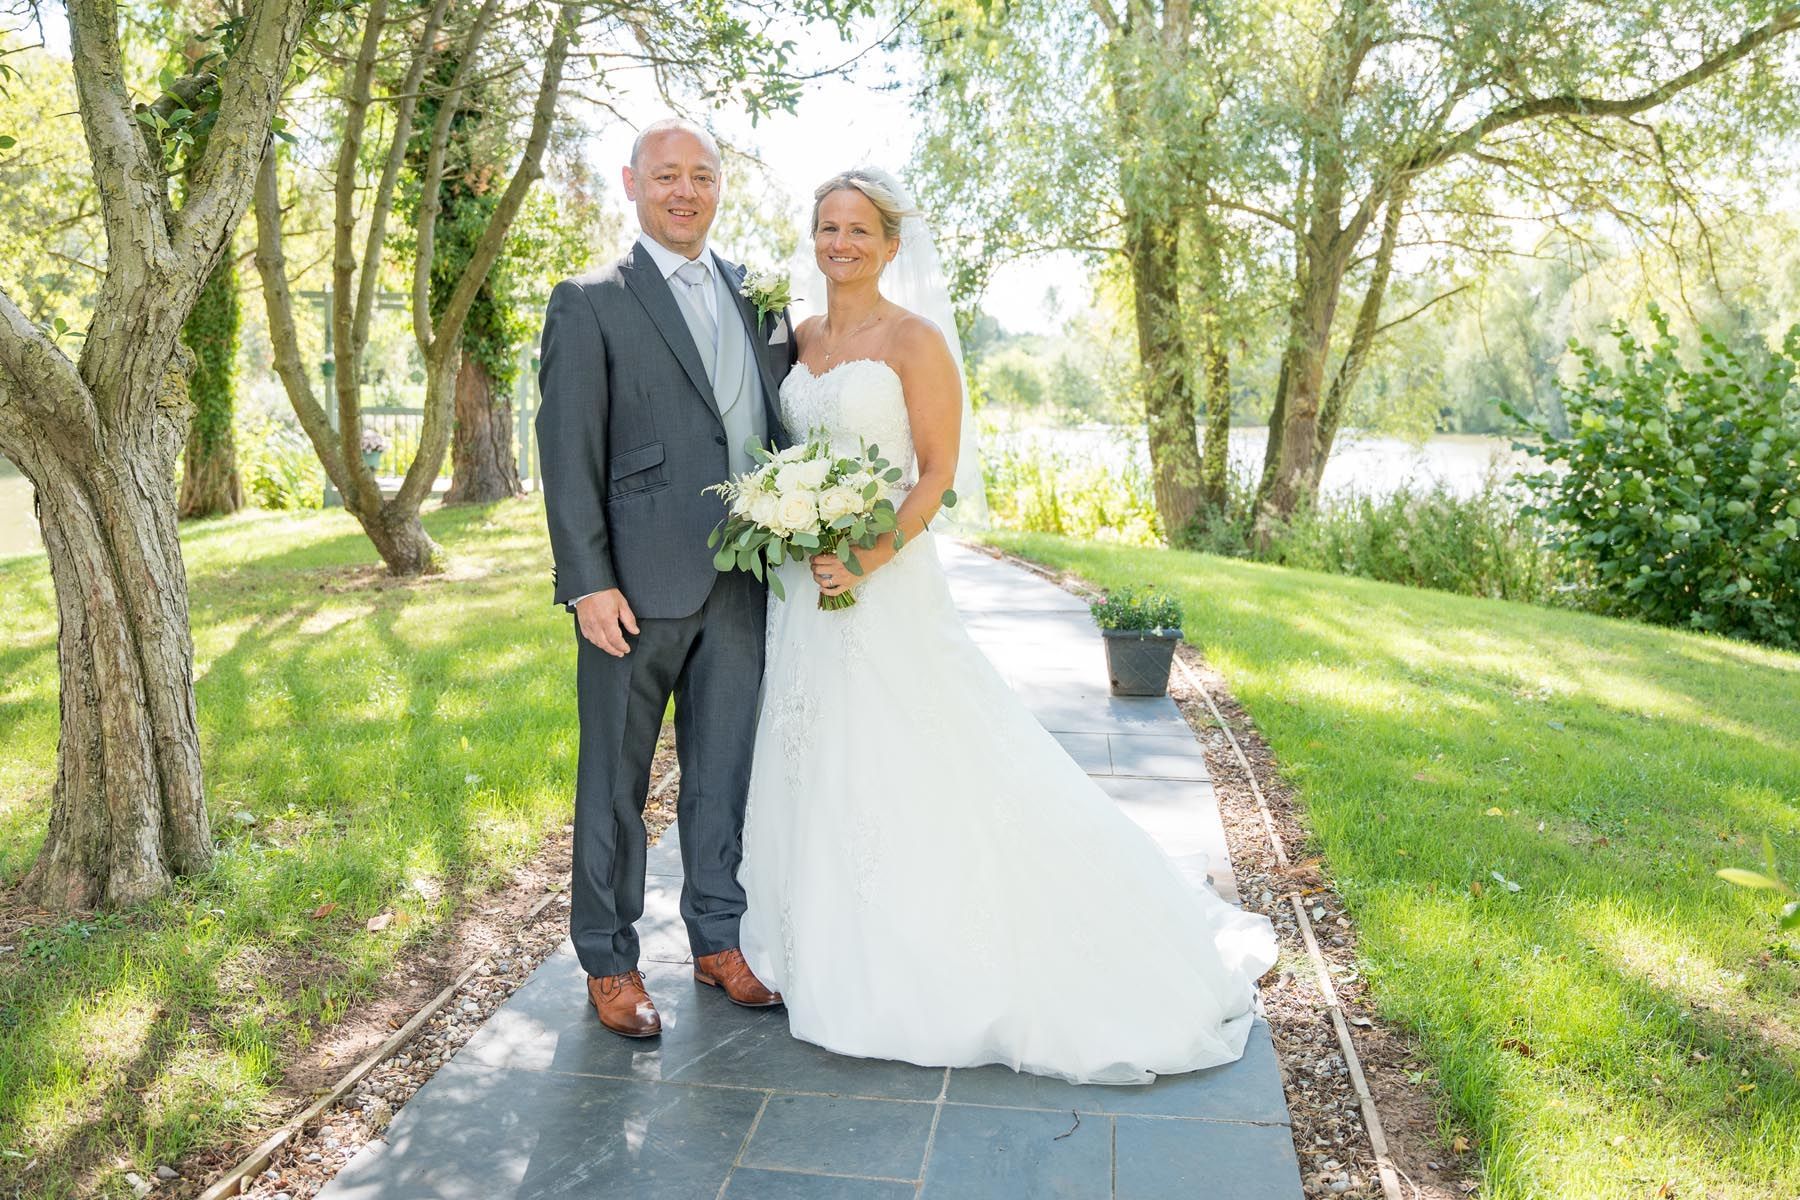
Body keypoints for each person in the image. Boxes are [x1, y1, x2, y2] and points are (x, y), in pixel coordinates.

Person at [736, 168, 1279, 1085]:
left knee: (920, 752)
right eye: (827, 226)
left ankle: (938, 953)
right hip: (802, 593)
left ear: (891, 243)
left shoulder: (916, 342)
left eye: (860, 229)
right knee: (818, 754)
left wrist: (866, 556)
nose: (841, 243)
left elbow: (936, 475)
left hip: (886, 586)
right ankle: (822, 944)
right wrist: (793, 524)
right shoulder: (798, 337)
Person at [535, 118, 793, 1038]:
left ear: (721, 186)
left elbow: (777, 425)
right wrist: (586, 581)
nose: (686, 191)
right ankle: (610, 961)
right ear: (632, 183)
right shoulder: (590, 299)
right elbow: (567, 457)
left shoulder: (760, 298)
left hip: (742, 581)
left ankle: (718, 939)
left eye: (703, 176)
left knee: (723, 772)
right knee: (615, 780)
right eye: (667, 176)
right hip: (632, 590)